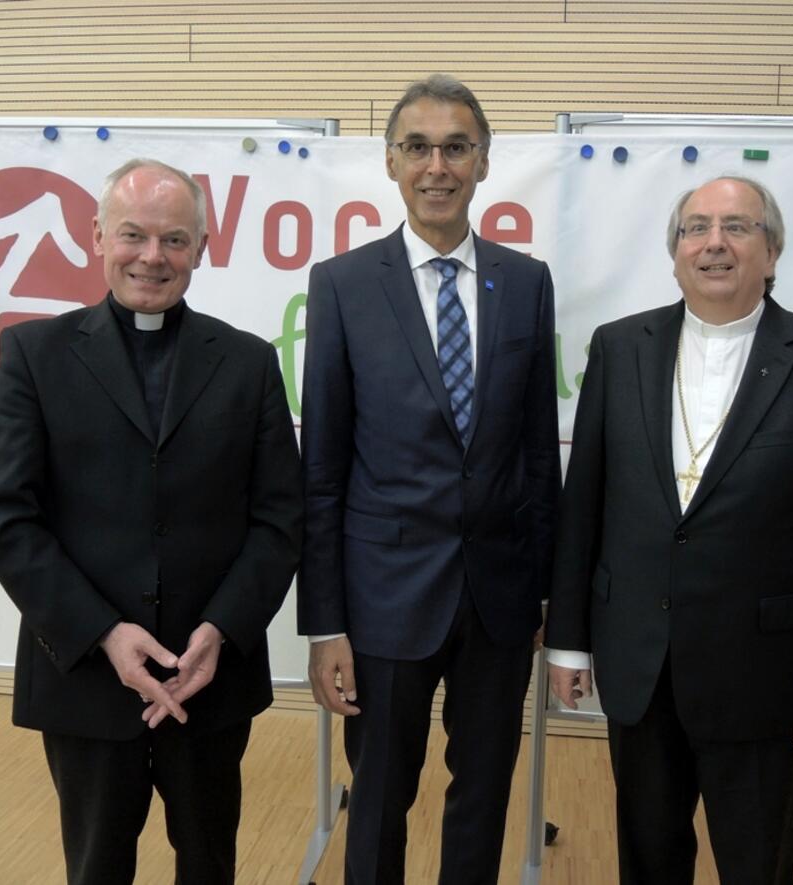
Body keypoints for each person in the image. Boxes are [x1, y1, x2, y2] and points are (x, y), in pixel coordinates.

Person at [545, 176, 793, 885]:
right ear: (674, 253)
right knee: (648, 859)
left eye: (737, 227)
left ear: (772, 250)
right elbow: (586, 508)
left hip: (767, 681)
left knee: (758, 865)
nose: (714, 244)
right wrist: (571, 641)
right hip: (640, 667)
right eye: (696, 227)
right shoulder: (619, 348)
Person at [0, 158, 303, 885]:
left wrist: (220, 629)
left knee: (210, 858)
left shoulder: (248, 362)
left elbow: (281, 516)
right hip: (86, 674)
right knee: (96, 865)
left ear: (202, 247)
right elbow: (7, 515)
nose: (153, 257)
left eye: (175, 240)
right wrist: (103, 633)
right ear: (97, 236)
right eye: (134, 235)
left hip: (207, 675)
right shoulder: (35, 355)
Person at [298, 74, 561, 884]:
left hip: (499, 598)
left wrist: (551, 593)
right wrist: (324, 623)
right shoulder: (342, 285)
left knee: (482, 792)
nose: (437, 165)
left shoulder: (525, 282)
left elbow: (536, 453)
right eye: (417, 147)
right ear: (390, 163)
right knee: (378, 795)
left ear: (484, 162)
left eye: (457, 147)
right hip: (383, 599)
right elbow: (323, 468)